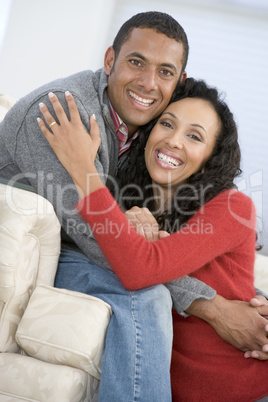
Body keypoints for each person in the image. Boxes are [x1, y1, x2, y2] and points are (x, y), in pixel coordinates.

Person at [0, 10, 267, 400]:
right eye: (136, 62)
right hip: (56, 246)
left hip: (245, 385)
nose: (148, 83)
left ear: (179, 82)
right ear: (110, 60)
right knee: (144, 293)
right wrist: (213, 308)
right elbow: (110, 246)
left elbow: (200, 256)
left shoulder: (146, 147)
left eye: (165, 72)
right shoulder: (64, 116)